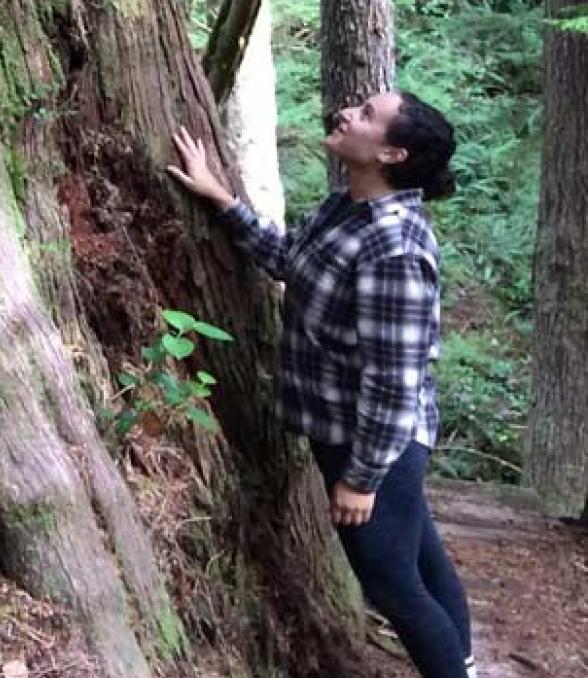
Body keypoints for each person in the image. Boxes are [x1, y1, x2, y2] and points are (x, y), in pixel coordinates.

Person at [168, 91, 474, 678]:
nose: (347, 114)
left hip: (375, 443)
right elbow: (290, 260)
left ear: (391, 153)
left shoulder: (395, 249)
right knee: (420, 561)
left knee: (391, 583)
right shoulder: (348, 207)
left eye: (366, 115)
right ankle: (464, 664)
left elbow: (394, 380)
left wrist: (361, 479)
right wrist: (221, 199)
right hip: (346, 428)